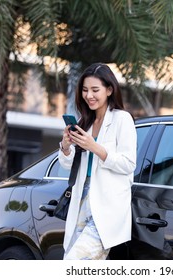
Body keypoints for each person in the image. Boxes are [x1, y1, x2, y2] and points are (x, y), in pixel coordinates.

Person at [58, 63, 137, 260]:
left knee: (73, 262)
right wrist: (66, 146)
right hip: (82, 201)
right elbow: (69, 166)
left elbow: (128, 164)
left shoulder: (122, 119)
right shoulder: (86, 122)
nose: (89, 95)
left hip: (107, 208)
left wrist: (95, 147)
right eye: (85, 90)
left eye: (95, 90)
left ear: (109, 90)